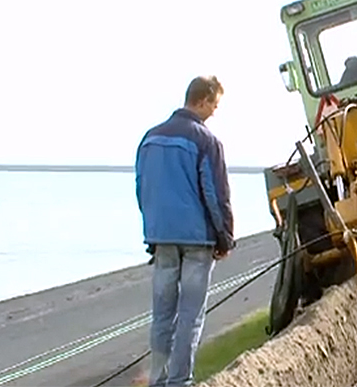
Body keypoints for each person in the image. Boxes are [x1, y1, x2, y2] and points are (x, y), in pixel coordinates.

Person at [135, 75, 235, 387]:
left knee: (162, 315)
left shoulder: (150, 138)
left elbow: (142, 188)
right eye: (215, 105)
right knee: (190, 316)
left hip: (161, 238)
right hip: (197, 241)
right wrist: (225, 237)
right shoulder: (206, 141)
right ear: (202, 100)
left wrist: (152, 231)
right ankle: (180, 381)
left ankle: (159, 380)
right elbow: (216, 195)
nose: (215, 112)